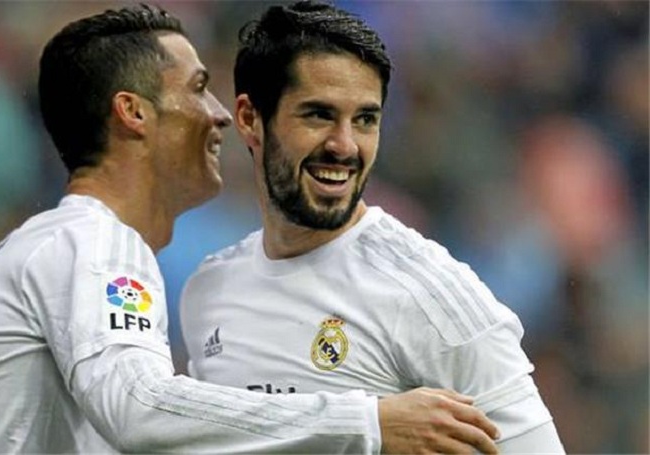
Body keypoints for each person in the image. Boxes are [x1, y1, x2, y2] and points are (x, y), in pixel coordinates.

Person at [0, 4, 500, 453]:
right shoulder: (95, 243)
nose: (221, 114)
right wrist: (368, 422)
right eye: (199, 88)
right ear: (134, 113)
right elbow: (139, 407)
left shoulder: (65, 243)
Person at [180, 1, 565, 453]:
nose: (345, 146)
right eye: (319, 115)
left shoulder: (429, 295)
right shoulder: (210, 290)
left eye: (365, 120)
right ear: (249, 119)